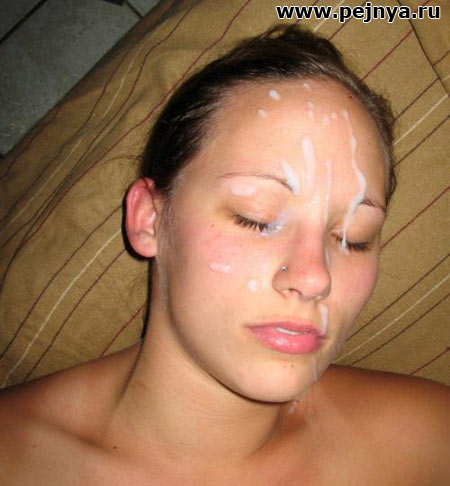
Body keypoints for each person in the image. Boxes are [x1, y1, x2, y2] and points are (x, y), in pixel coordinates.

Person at [0, 25, 448, 485]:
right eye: (256, 218)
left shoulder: (427, 442)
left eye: (353, 238)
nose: (315, 277)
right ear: (149, 219)